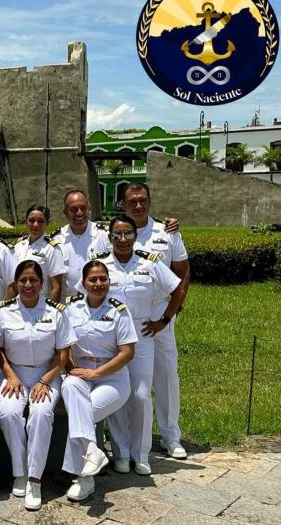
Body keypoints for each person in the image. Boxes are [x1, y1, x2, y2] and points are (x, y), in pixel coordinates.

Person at [94, 215, 185, 475]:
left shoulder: (150, 262)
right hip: (111, 339)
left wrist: (164, 320)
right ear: (110, 238)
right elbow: (87, 295)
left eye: (128, 234)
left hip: (143, 334)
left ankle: (141, 453)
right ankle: (121, 453)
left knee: (141, 395)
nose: (123, 240)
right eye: (117, 235)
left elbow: (178, 289)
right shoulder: (100, 265)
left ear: (136, 236)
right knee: (117, 396)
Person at [0, 261, 76, 511]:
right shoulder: (2, 312)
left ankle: (34, 479)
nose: (28, 285)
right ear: (16, 283)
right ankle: (20, 472)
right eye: (22, 281)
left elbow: (63, 354)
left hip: (46, 373)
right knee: (8, 414)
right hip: (13, 373)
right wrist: (10, 374)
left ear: (42, 283)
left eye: (33, 280)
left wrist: (45, 379)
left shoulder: (55, 312)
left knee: (41, 414)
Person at [121, 183, 190, 460]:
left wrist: (170, 314)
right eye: (132, 202)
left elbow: (182, 273)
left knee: (166, 375)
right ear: (123, 205)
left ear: (149, 202)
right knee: (127, 378)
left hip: (160, 315)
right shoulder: (115, 232)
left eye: (143, 201)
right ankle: (125, 440)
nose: (138, 206)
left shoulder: (167, 232)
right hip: (127, 316)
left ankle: (171, 435)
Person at [61, 260, 136, 501]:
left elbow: (127, 353)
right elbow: (62, 344)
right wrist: (70, 367)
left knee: (82, 412)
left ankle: (84, 479)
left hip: (113, 378)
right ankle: (93, 452)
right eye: (92, 279)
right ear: (83, 283)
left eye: (103, 278)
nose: (98, 284)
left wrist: (96, 373)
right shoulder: (71, 309)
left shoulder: (119, 310)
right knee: (70, 386)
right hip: (81, 372)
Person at [49, 191, 111, 301]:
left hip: (98, 305)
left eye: (83, 208)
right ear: (65, 212)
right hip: (67, 306)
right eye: (74, 209)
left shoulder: (104, 235)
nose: (79, 213)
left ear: (89, 209)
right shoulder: (56, 239)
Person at [12, 205, 66, 301]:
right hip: (19, 305)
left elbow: (56, 287)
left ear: (47, 223)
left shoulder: (52, 249)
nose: (35, 225)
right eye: (31, 220)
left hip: (41, 305)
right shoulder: (18, 245)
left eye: (41, 221)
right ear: (26, 221)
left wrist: (52, 313)